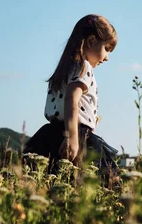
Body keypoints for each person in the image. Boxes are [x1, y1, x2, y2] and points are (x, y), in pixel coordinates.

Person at [23, 14, 119, 175]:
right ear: (91, 42)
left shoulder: (64, 69)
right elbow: (71, 100)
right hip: (74, 133)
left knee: (53, 178)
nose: (107, 58)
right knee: (92, 181)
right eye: (106, 49)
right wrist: (72, 137)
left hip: (52, 134)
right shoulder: (83, 67)